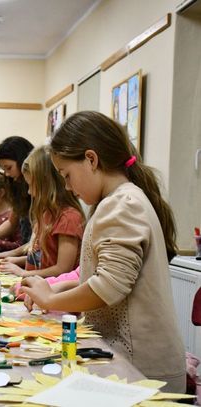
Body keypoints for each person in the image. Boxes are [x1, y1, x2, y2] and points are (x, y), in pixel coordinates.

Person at [20, 111, 186, 392]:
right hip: (132, 364)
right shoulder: (115, 201)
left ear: (91, 159)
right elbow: (97, 276)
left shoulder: (122, 204)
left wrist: (49, 296)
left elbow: (108, 287)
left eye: (67, 175)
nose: (68, 186)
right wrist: (54, 290)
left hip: (142, 370)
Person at [0, 146, 84, 278]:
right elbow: (41, 257)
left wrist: (24, 273)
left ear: (47, 183)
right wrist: (17, 260)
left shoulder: (68, 217)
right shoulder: (46, 214)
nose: (29, 192)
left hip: (53, 294)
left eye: (32, 185)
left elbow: (63, 269)